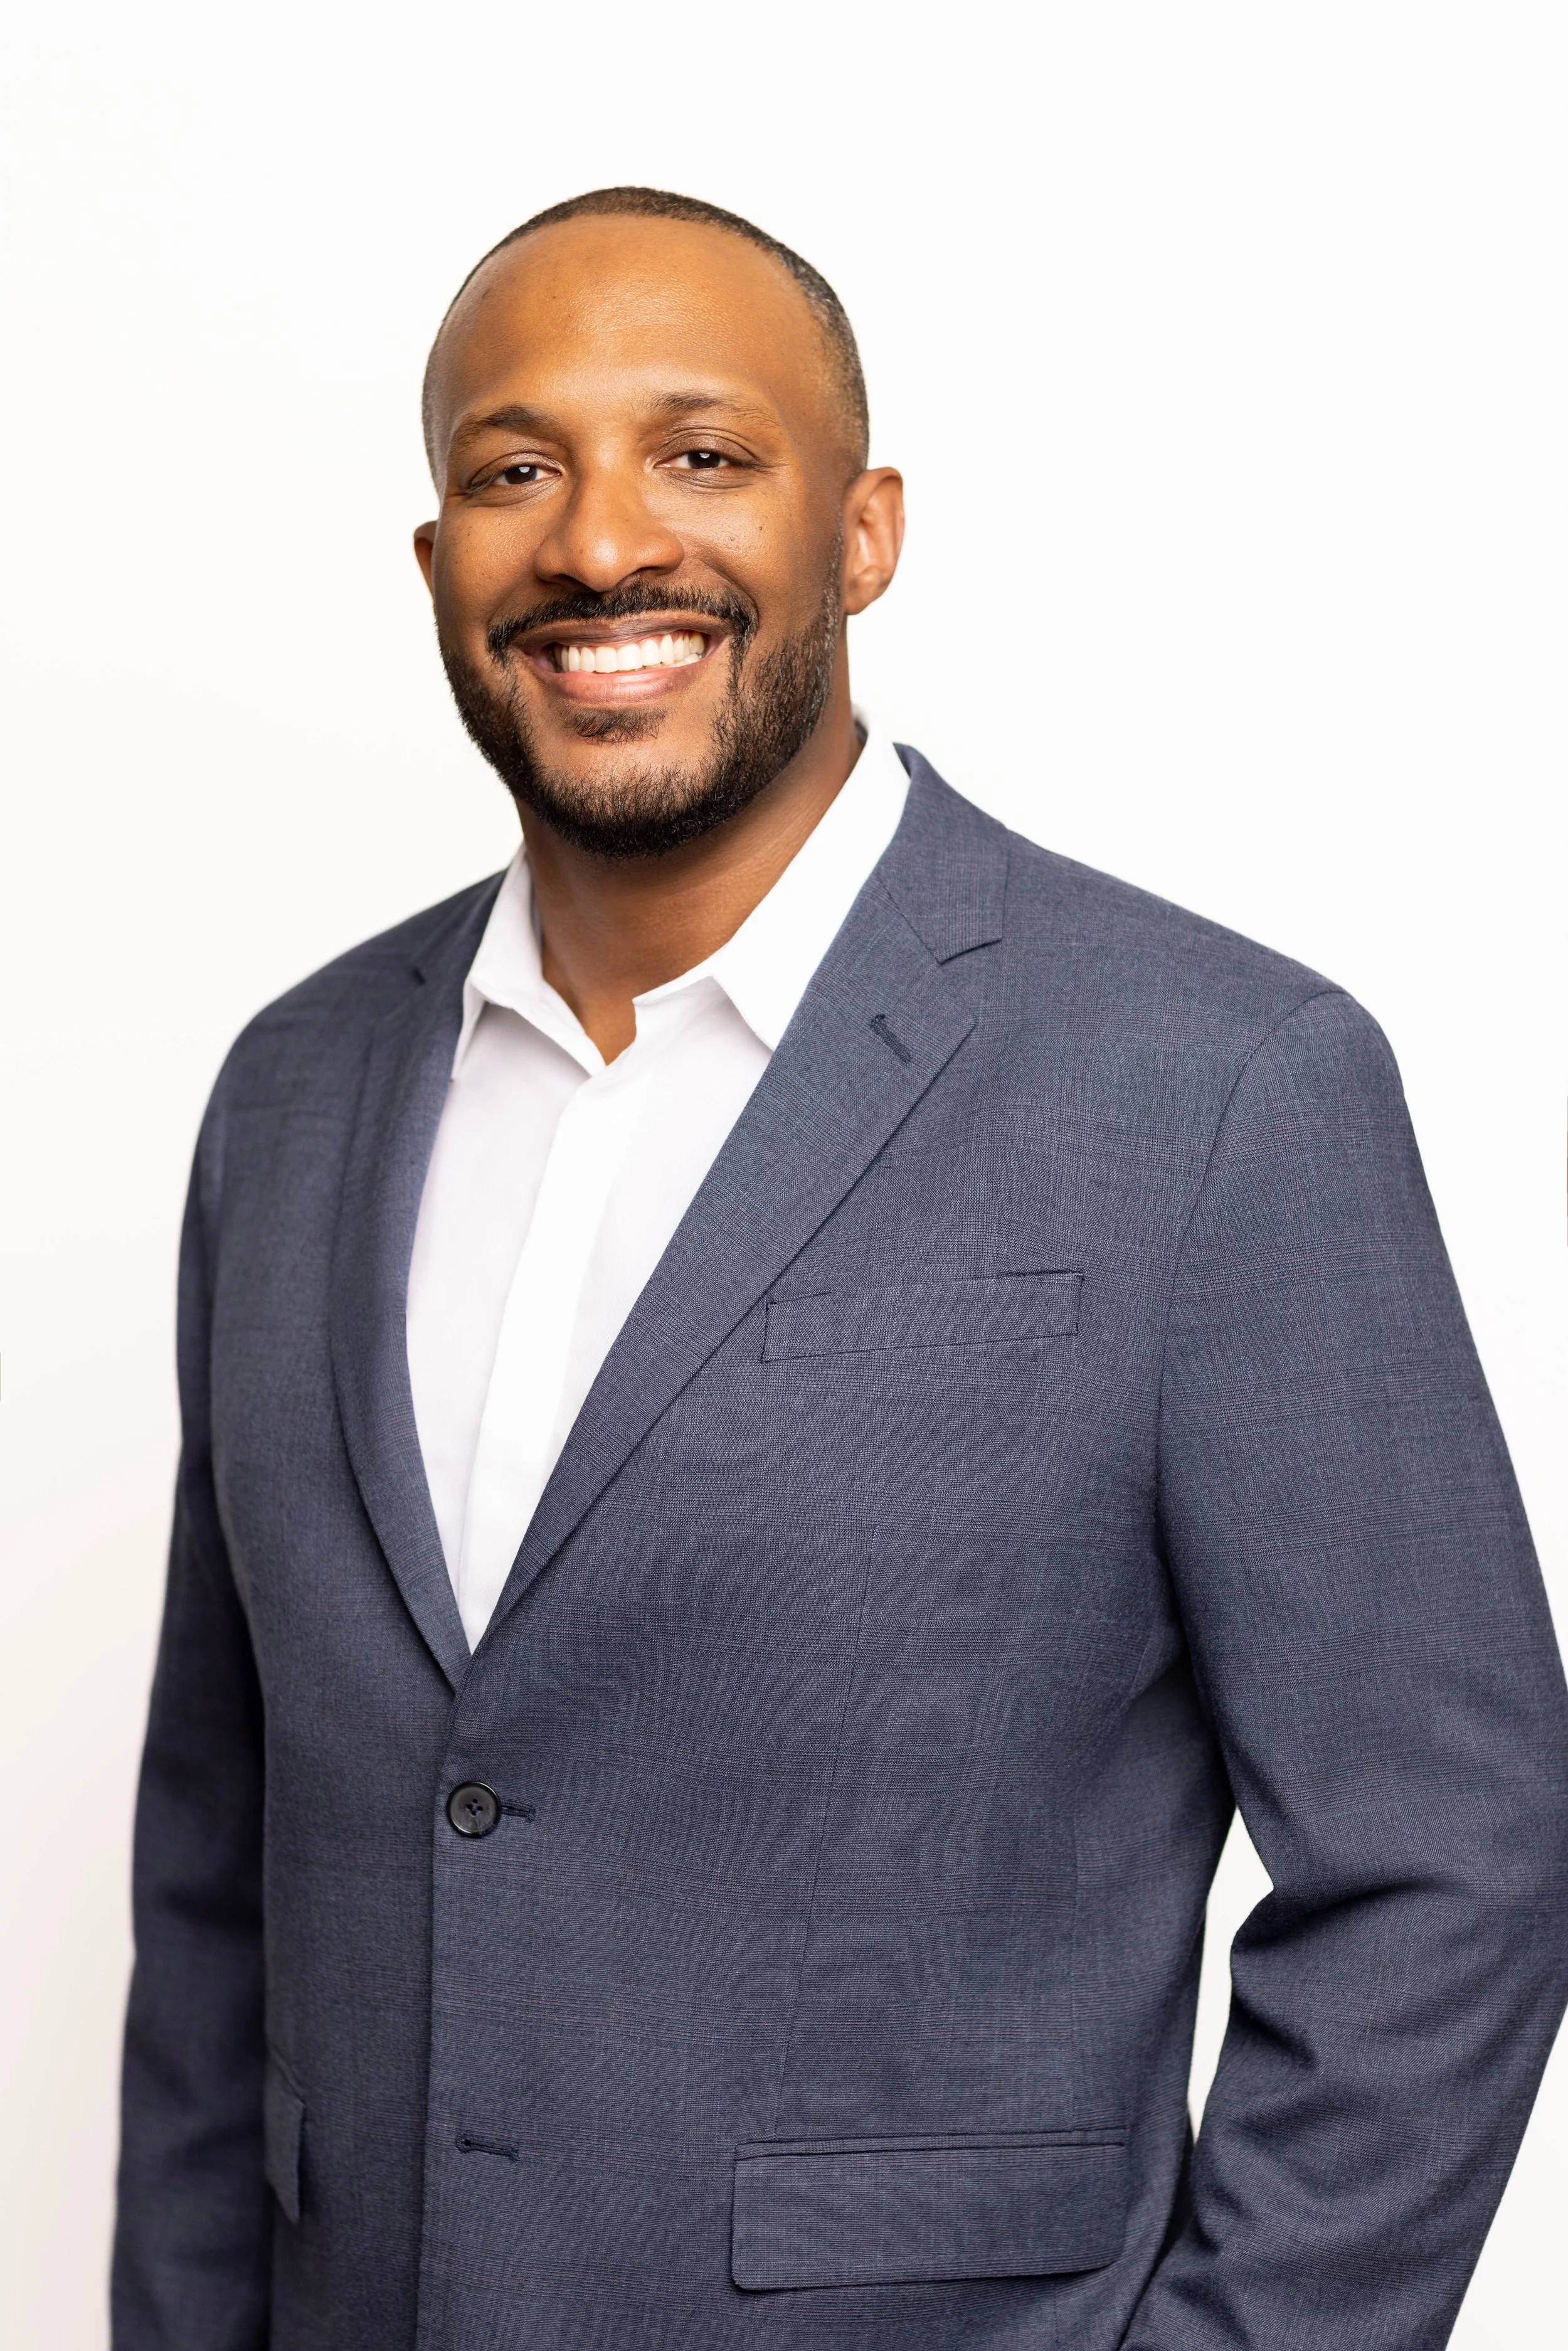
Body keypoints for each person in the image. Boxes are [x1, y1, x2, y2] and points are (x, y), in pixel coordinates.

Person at [112, 187, 1568, 2351]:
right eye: (514, 468)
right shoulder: (295, 1089)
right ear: (437, 564)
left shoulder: (1217, 1086)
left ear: (863, 529)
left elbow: (1449, 1863)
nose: (600, 543)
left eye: (701, 454)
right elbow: (219, 1865)